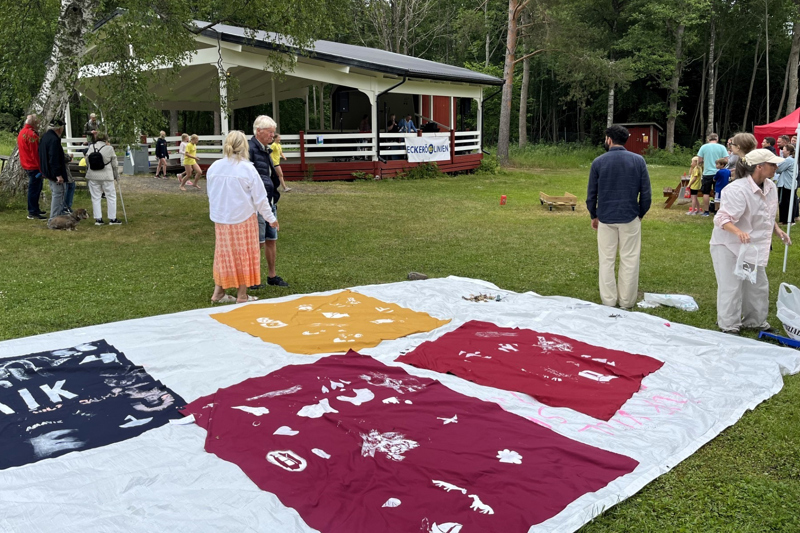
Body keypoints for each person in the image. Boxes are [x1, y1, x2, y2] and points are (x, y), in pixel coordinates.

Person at [710, 149, 792, 335]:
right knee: (731, 286)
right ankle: (729, 325)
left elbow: (766, 214)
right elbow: (721, 218)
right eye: (772, 164)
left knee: (757, 285)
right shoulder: (737, 189)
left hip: (752, 246)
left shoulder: (770, 187)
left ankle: (755, 322)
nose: (776, 167)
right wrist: (738, 231)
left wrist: (777, 229)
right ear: (759, 167)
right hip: (728, 245)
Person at [207, 130, 279, 304]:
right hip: (243, 219)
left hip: (221, 219)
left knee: (224, 255)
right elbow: (260, 198)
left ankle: (219, 293)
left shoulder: (214, 166)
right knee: (244, 255)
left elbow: (211, 194)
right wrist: (271, 218)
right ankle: (242, 295)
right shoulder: (247, 168)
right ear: (244, 147)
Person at [586, 125, 652, 310]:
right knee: (630, 259)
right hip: (630, 215)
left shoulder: (598, 162)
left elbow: (592, 193)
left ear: (609, 139)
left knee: (606, 259)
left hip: (605, 216)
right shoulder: (638, 161)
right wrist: (640, 213)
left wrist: (593, 214)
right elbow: (646, 193)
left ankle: (608, 300)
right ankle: (627, 301)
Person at [248, 115, 289, 288]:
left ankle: (272, 276)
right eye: (270, 132)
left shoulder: (267, 149)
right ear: (258, 131)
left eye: (273, 132)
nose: (273, 135)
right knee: (257, 242)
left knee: (271, 238)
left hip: (269, 199)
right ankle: (252, 278)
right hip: (256, 203)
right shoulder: (249, 149)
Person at [85, 132, 122, 225]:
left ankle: (98, 219)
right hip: (106, 175)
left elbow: (87, 160)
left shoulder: (91, 147)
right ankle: (112, 219)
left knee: (95, 197)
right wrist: (117, 176)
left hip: (93, 175)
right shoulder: (109, 148)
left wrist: (90, 168)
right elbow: (114, 164)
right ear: (106, 139)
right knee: (111, 196)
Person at [38, 119, 71, 219]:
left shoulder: (45, 137)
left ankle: (58, 216)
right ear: (59, 129)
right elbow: (54, 158)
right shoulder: (54, 140)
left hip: (47, 170)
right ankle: (54, 219)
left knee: (57, 193)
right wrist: (58, 175)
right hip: (54, 172)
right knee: (58, 194)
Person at [18, 114, 45, 220]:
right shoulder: (31, 135)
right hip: (33, 165)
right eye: (37, 123)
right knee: (34, 189)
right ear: (34, 123)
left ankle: (35, 209)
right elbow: (35, 153)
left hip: (26, 164)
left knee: (36, 188)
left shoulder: (22, 132)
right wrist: (41, 168)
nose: (39, 124)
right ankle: (32, 211)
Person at [697, 133, 729, 216]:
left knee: (706, 192)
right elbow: (726, 160)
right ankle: (717, 210)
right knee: (717, 192)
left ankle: (706, 211)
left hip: (707, 172)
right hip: (719, 173)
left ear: (708, 139)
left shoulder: (704, 147)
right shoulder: (722, 147)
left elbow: (699, 160)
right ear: (717, 139)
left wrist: (704, 162)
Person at [775, 144, 798, 225]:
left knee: (784, 202)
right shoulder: (792, 160)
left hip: (786, 184)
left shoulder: (788, 160)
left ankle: (786, 220)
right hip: (790, 184)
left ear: (788, 151)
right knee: (789, 202)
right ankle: (789, 220)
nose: (782, 151)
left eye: (784, 149)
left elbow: (778, 170)